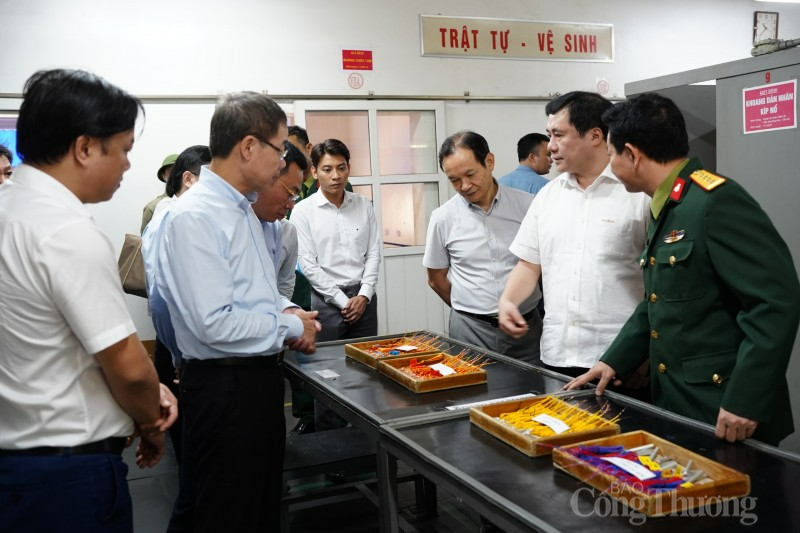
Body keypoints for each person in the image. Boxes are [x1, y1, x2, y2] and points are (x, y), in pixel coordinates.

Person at [565, 93, 800, 446]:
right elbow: (661, 300)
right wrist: (614, 361)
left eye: (611, 153)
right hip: (680, 401)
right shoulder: (672, 202)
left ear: (632, 154)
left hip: (725, 407)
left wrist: (746, 398)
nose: (609, 164)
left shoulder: (713, 201)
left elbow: (775, 302)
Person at [0, 68, 176, 532]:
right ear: (84, 148)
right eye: (122, 150)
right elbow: (130, 369)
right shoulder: (66, 232)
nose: (127, 165)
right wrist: (150, 420)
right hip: (66, 476)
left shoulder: (8, 207)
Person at [156, 91, 320, 533]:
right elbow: (213, 323)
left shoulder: (243, 212)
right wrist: (287, 325)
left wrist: (287, 313)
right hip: (224, 386)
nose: (283, 160)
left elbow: (258, 292)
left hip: (256, 380)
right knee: (227, 513)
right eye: (280, 148)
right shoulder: (196, 216)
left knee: (259, 507)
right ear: (249, 146)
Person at [498, 92, 650, 386]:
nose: (550, 147)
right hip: (558, 356)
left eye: (558, 135)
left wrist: (642, 353)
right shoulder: (548, 196)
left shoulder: (637, 193)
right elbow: (529, 265)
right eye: (548, 135)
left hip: (621, 359)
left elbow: (659, 285)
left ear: (595, 135)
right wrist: (508, 301)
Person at [424, 130, 542, 363]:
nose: (464, 186)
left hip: (526, 329)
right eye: (454, 180)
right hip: (470, 332)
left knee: (534, 395)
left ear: (489, 162)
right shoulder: (443, 218)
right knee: (472, 397)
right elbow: (435, 278)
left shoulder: (529, 207)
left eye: (470, 174)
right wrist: (471, 309)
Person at [289, 138, 380, 431]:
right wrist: (343, 301)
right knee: (329, 376)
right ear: (314, 171)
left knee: (365, 373)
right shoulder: (303, 210)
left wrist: (364, 295)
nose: (336, 175)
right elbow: (307, 264)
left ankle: (364, 442)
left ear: (349, 168)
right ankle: (333, 450)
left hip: (365, 302)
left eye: (341, 168)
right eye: (327, 169)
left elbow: (375, 252)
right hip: (327, 304)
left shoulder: (364, 205)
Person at [142, 144, 211, 464]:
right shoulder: (170, 217)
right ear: (189, 180)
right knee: (192, 450)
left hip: (185, 350)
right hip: (182, 352)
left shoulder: (182, 215)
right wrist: (180, 357)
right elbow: (160, 300)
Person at [252, 141, 307, 298]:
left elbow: (282, 286)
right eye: (289, 194)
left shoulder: (280, 229)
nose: (291, 206)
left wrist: (286, 313)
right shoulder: (229, 221)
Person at [140, 153, 177, 233]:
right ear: (163, 175)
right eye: (171, 170)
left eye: (179, 170)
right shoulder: (152, 207)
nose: (175, 174)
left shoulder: (192, 202)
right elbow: (145, 241)